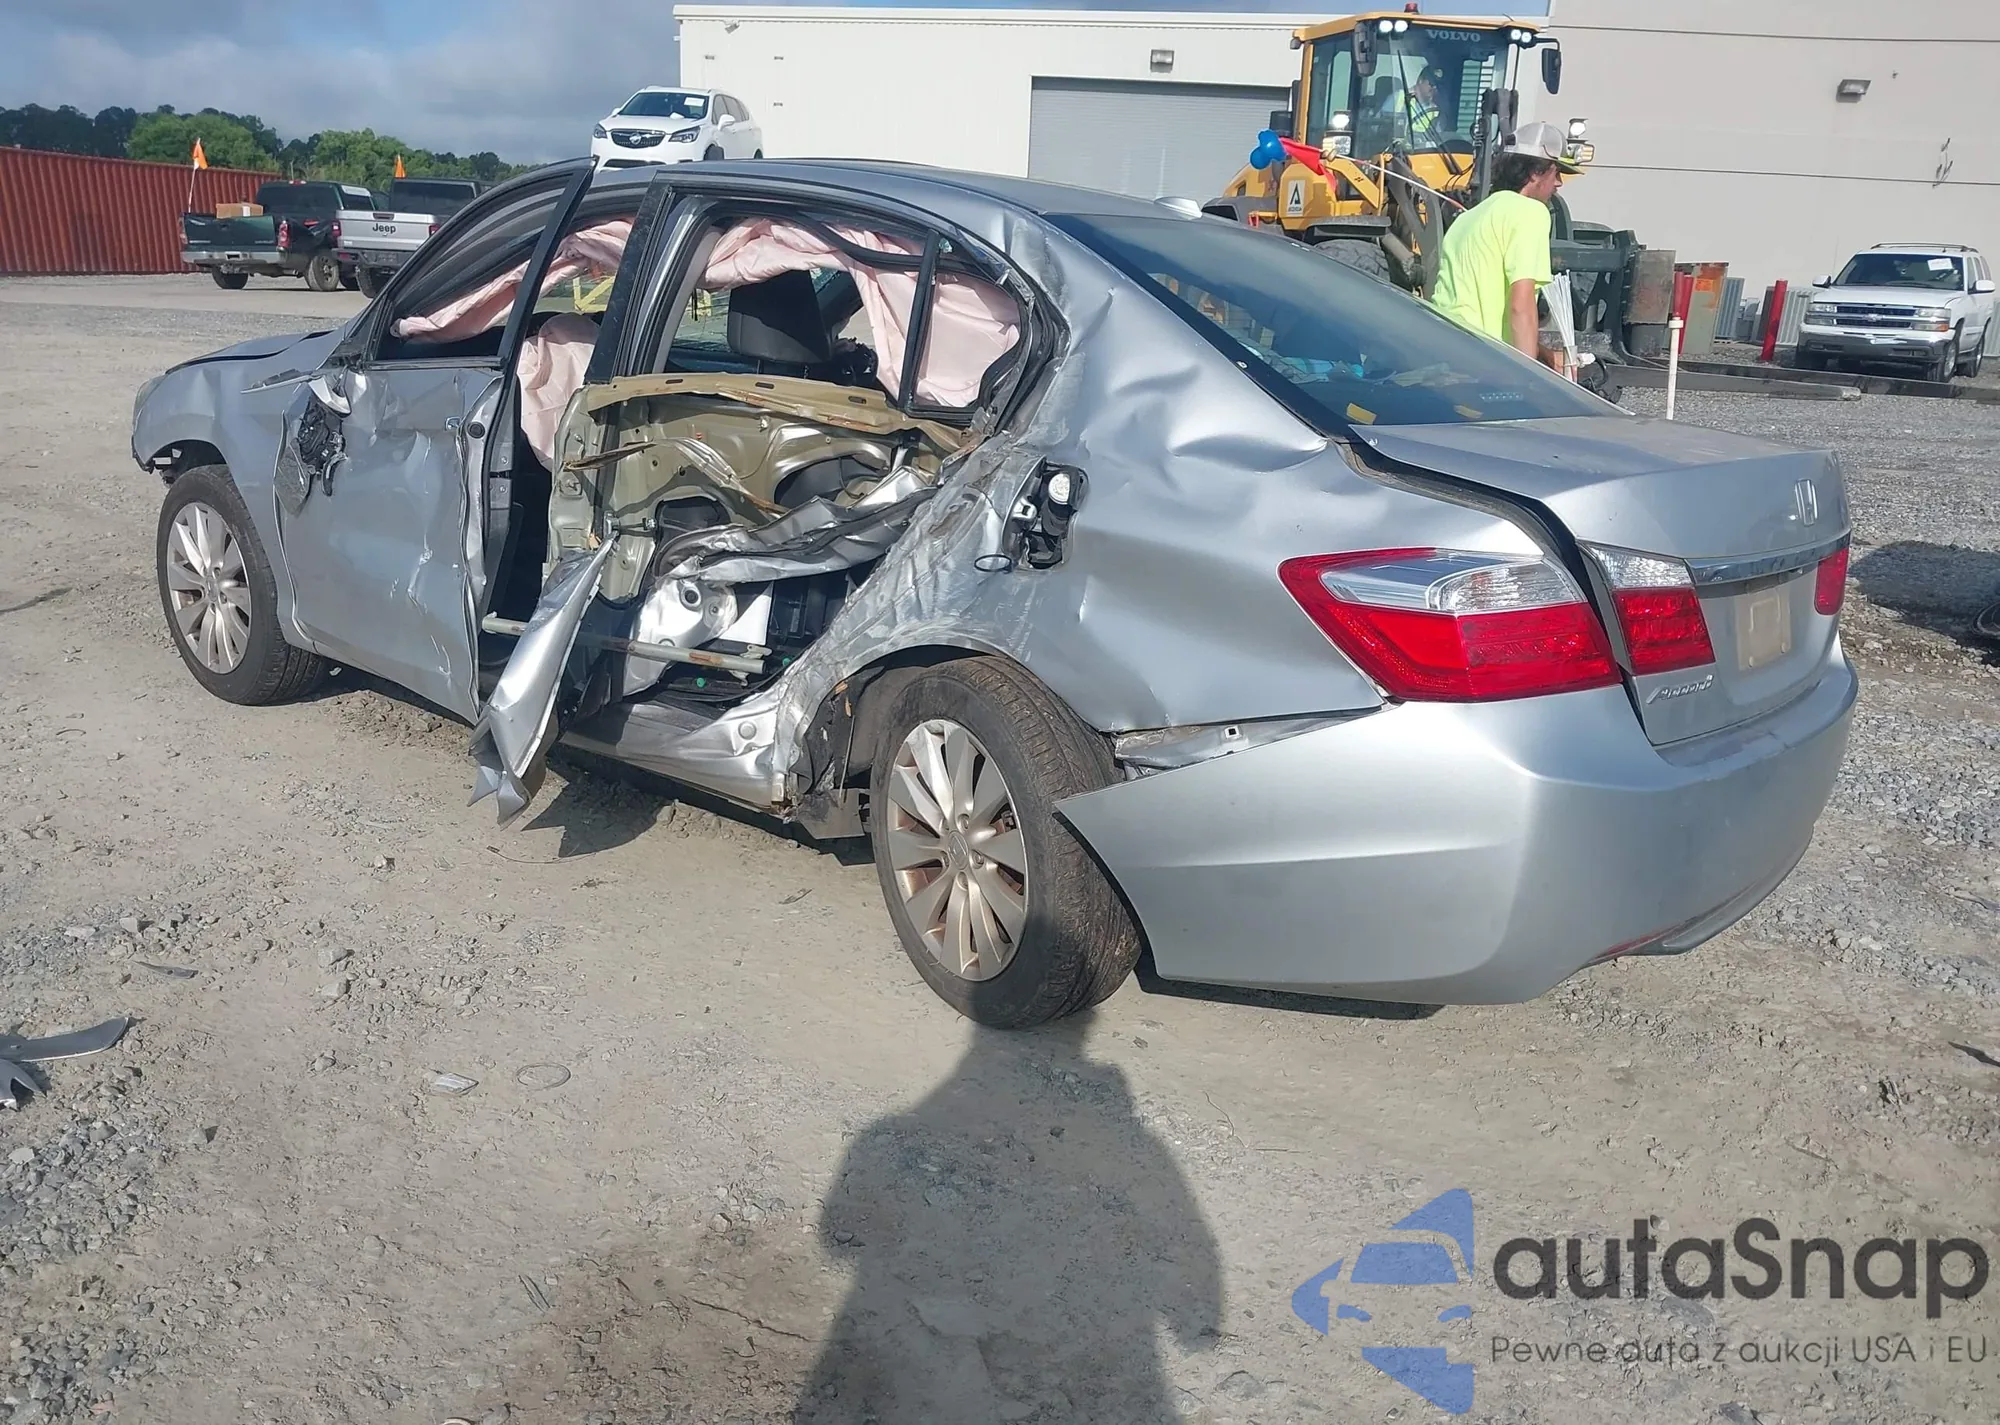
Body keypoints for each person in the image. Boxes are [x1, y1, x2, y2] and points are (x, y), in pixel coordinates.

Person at [1427, 119, 1581, 369]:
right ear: (1535, 172)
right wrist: (1530, 376)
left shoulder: (1467, 219)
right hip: (1483, 361)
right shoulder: (1530, 212)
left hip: (1444, 351)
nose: (1559, 183)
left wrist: (1545, 355)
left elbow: (1479, 308)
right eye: (1556, 172)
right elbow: (1521, 306)